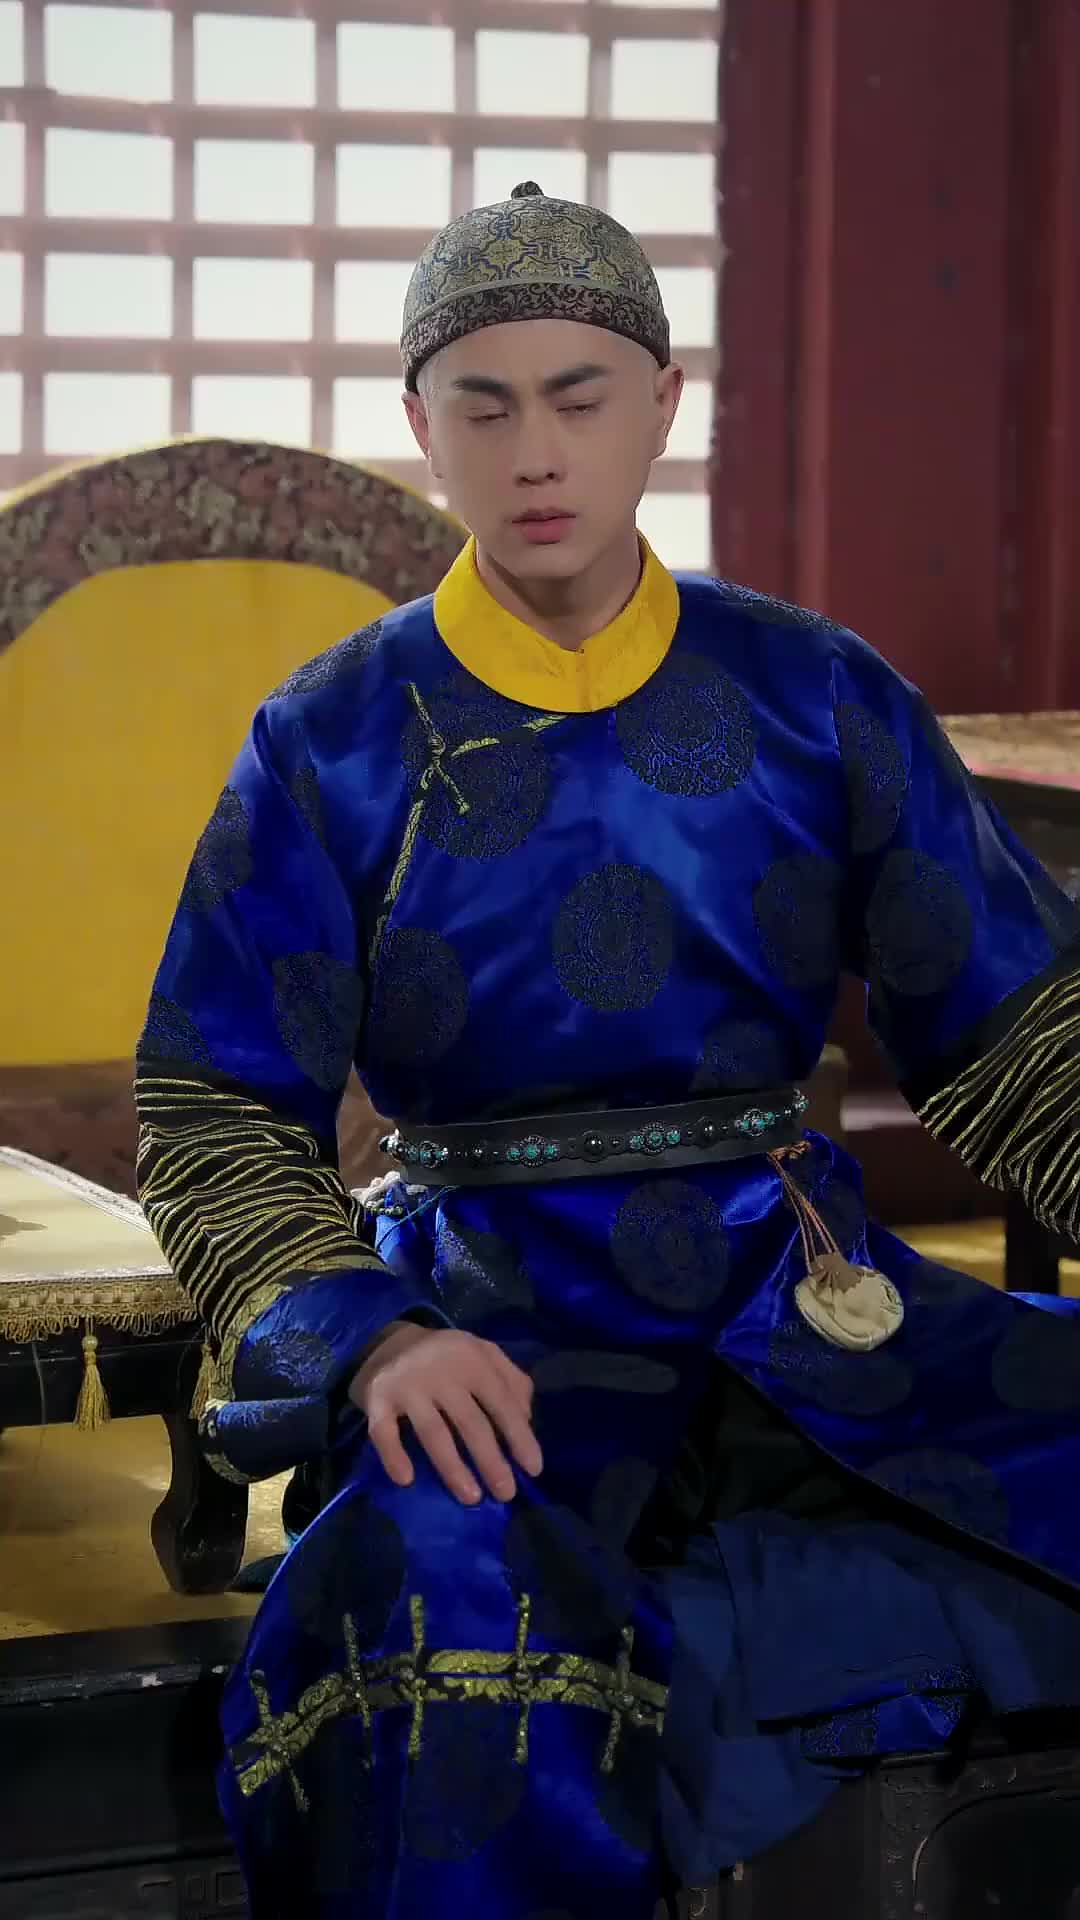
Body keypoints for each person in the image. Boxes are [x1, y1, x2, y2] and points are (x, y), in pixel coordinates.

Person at [135, 181, 1080, 1918]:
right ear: (422, 425)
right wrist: (372, 1338)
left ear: (663, 403)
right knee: (441, 1607)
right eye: (484, 407)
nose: (536, 454)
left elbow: (1020, 1029)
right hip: (490, 1322)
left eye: (580, 398)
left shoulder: (814, 694)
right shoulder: (333, 738)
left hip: (799, 1298)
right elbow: (213, 1113)